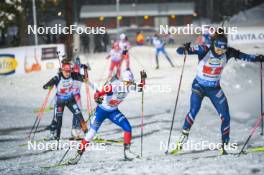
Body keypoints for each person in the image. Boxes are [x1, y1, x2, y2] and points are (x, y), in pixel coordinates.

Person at [171, 32, 264, 154]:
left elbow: (245, 56)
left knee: (225, 116)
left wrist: (258, 58)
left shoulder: (228, 52)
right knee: (194, 111)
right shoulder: (204, 49)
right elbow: (179, 51)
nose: (220, 52)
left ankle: (224, 145)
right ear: (214, 45)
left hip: (214, 89)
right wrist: (185, 49)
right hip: (199, 86)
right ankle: (183, 137)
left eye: (223, 49)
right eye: (218, 49)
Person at [67, 70, 147, 164]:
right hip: (101, 111)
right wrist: (97, 98)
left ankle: (127, 153)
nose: (128, 85)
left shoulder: (130, 86)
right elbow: (98, 94)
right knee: (91, 134)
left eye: (130, 82)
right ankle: (77, 156)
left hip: (113, 111)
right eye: (126, 82)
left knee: (127, 128)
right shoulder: (114, 86)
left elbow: (141, 88)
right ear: (123, 81)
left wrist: (143, 79)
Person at [43, 59, 88, 141]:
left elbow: (85, 79)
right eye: (66, 71)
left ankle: (87, 134)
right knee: (58, 121)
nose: (68, 73)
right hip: (60, 102)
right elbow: (45, 86)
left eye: (69, 71)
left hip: (71, 100)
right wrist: (49, 85)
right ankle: (56, 137)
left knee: (79, 115)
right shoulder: (57, 77)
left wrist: (85, 69)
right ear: (62, 70)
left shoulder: (73, 75)